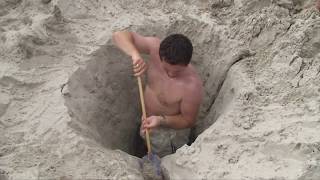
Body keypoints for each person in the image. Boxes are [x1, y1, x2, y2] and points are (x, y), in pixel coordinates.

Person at [112, 31, 203, 157]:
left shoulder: (192, 86)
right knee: (147, 147)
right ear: (160, 56)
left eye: (177, 72)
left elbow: (188, 120)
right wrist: (135, 55)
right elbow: (119, 35)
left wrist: (160, 120)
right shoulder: (155, 47)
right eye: (166, 69)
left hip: (168, 133)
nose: (170, 75)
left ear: (186, 64)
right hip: (147, 121)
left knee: (164, 158)